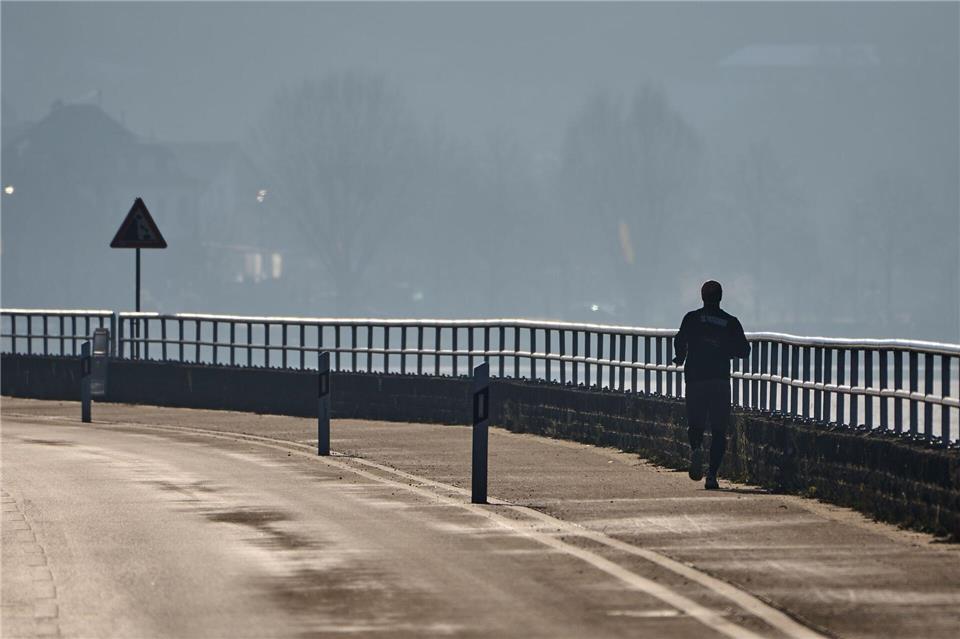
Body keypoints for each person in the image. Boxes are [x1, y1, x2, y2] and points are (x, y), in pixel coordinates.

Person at [672, 280, 750, 489]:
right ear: (721, 297)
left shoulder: (691, 318)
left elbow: (679, 340)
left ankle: (696, 448)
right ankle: (712, 475)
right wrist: (726, 350)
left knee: (695, 423)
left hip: (695, 379)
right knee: (718, 429)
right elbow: (744, 351)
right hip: (719, 380)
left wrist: (680, 357)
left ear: (702, 297)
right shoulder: (730, 322)